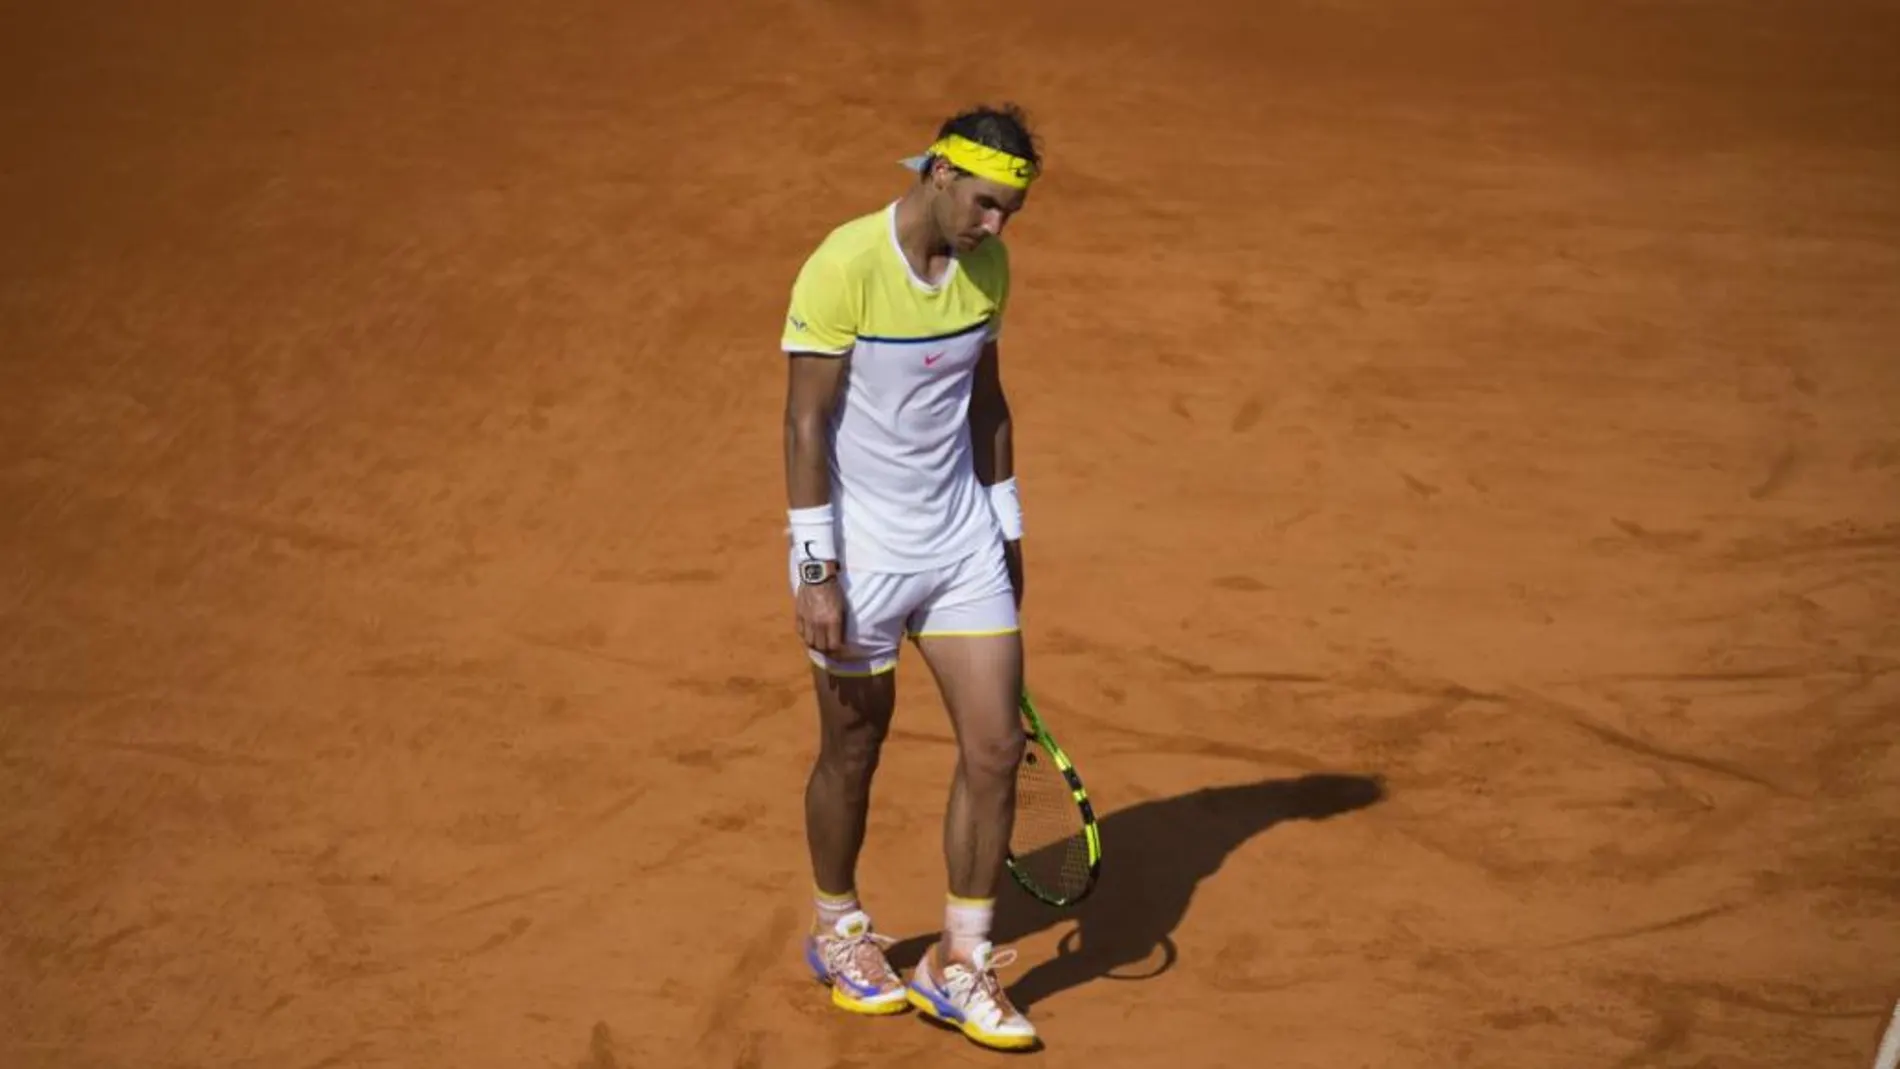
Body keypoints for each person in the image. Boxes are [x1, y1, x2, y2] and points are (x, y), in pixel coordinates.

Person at [778, 102, 1043, 1052]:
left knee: (995, 747)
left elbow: (989, 401)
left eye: (1011, 210)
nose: (996, 225)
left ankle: (958, 959)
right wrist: (816, 570)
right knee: (854, 747)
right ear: (938, 175)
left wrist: (1006, 527)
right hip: (862, 551)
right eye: (984, 203)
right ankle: (840, 927)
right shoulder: (844, 263)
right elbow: (805, 424)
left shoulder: (989, 266)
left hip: (961, 540)